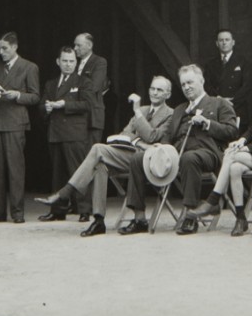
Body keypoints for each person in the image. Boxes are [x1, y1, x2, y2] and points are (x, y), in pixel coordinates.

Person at [36, 76, 175, 237]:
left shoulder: (169, 115)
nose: (155, 93)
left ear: (168, 94)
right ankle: (99, 220)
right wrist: (138, 140)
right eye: (152, 88)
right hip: (130, 155)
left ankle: (66, 192)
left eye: (160, 90)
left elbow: (152, 136)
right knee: (100, 165)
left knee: (98, 149)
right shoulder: (144, 110)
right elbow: (125, 133)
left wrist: (137, 114)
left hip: (149, 161)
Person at [123, 65, 237, 235]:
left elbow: (232, 131)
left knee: (189, 158)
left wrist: (207, 123)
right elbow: (168, 136)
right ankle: (139, 218)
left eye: (190, 82)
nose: (187, 87)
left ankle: (190, 216)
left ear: (202, 81)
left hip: (208, 152)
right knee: (138, 159)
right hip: (177, 153)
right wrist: (161, 148)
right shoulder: (179, 109)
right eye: (183, 85)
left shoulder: (219, 103)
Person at [188, 78, 252, 236]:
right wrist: (240, 141)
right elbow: (250, 131)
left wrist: (246, 148)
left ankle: (213, 199)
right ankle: (241, 218)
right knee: (234, 168)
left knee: (230, 154)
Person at [0, 31, 40, 224]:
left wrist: (17, 95)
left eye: (5, 48)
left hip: (16, 121)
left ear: (15, 47)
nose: (1, 52)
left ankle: (17, 212)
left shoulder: (29, 67)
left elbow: (35, 96)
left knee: (15, 169)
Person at [39, 46, 93, 222]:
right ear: (58, 62)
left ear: (76, 63)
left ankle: (85, 210)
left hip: (74, 133)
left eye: (72, 61)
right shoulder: (51, 83)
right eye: (65, 61)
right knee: (57, 174)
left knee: (78, 171)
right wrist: (46, 108)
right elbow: (41, 106)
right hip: (55, 133)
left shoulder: (83, 81)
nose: (68, 64)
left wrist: (64, 104)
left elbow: (87, 105)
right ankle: (58, 210)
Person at [203, 29, 252, 127]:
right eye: (221, 40)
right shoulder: (210, 64)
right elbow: (207, 85)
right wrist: (219, 99)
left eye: (227, 40)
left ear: (233, 42)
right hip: (217, 108)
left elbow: (247, 86)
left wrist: (232, 101)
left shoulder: (243, 62)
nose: (224, 43)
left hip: (237, 107)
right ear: (217, 43)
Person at [73, 33, 109, 143]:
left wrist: (73, 90)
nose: (75, 49)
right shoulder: (74, 63)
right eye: (75, 45)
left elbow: (94, 87)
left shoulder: (99, 62)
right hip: (76, 117)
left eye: (78, 45)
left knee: (90, 153)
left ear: (89, 45)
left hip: (91, 117)